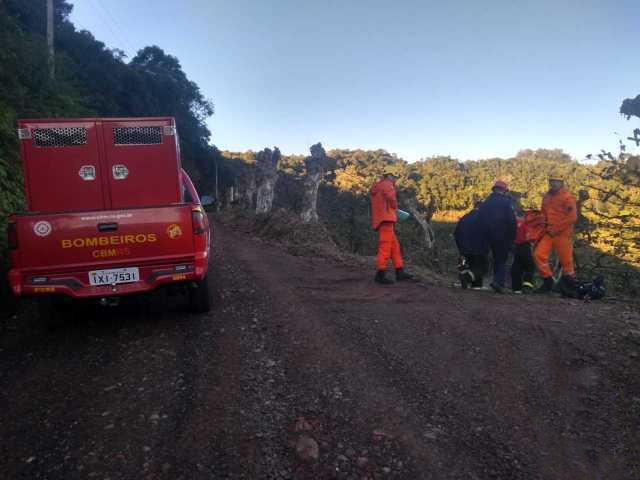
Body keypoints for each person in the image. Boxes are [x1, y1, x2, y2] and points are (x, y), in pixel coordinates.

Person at [533, 175, 578, 293]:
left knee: (566, 262)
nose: (553, 183)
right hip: (548, 232)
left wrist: (556, 229)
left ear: (561, 183)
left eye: (556, 181)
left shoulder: (568, 197)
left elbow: (572, 217)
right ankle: (548, 281)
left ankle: (571, 288)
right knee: (538, 255)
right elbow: (543, 214)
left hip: (563, 234)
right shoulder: (546, 197)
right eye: (552, 181)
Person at [370, 169, 414, 284]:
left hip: (383, 219)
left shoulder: (378, 186)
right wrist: (395, 207)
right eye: (394, 176)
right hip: (386, 219)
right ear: (389, 176)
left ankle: (400, 272)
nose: (395, 179)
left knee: (395, 247)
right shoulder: (387, 185)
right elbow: (391, 198)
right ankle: (380, 274)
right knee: (385, 247)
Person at [477, 180, 517, 293]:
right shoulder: (506, 203)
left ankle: (475, 280)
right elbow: (512, 221)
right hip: (502, 236)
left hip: (487, 235)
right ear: (504, 190)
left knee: (485, 257)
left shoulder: (486, 202)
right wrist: (512, 238)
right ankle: (498, 282)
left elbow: (479, 219)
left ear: (494, 189)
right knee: (500, 260)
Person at [454, 201, 489, 289]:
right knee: (482, 268)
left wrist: (460, 247)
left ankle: (476, 286)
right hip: (479, 248)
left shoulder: (464, 218)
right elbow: (489, 232)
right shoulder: (484, 218)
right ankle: (466, 278)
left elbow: (456, 233)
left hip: (464, 248)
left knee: (472, 267)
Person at [510, 211, 535, 294]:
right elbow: (530, 237)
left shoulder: (514, 222)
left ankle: (516, 288)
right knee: (530, 266)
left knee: (516, 267)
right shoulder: (526, 223)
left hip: (516, 247)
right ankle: (527, 286)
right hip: (525, 246)